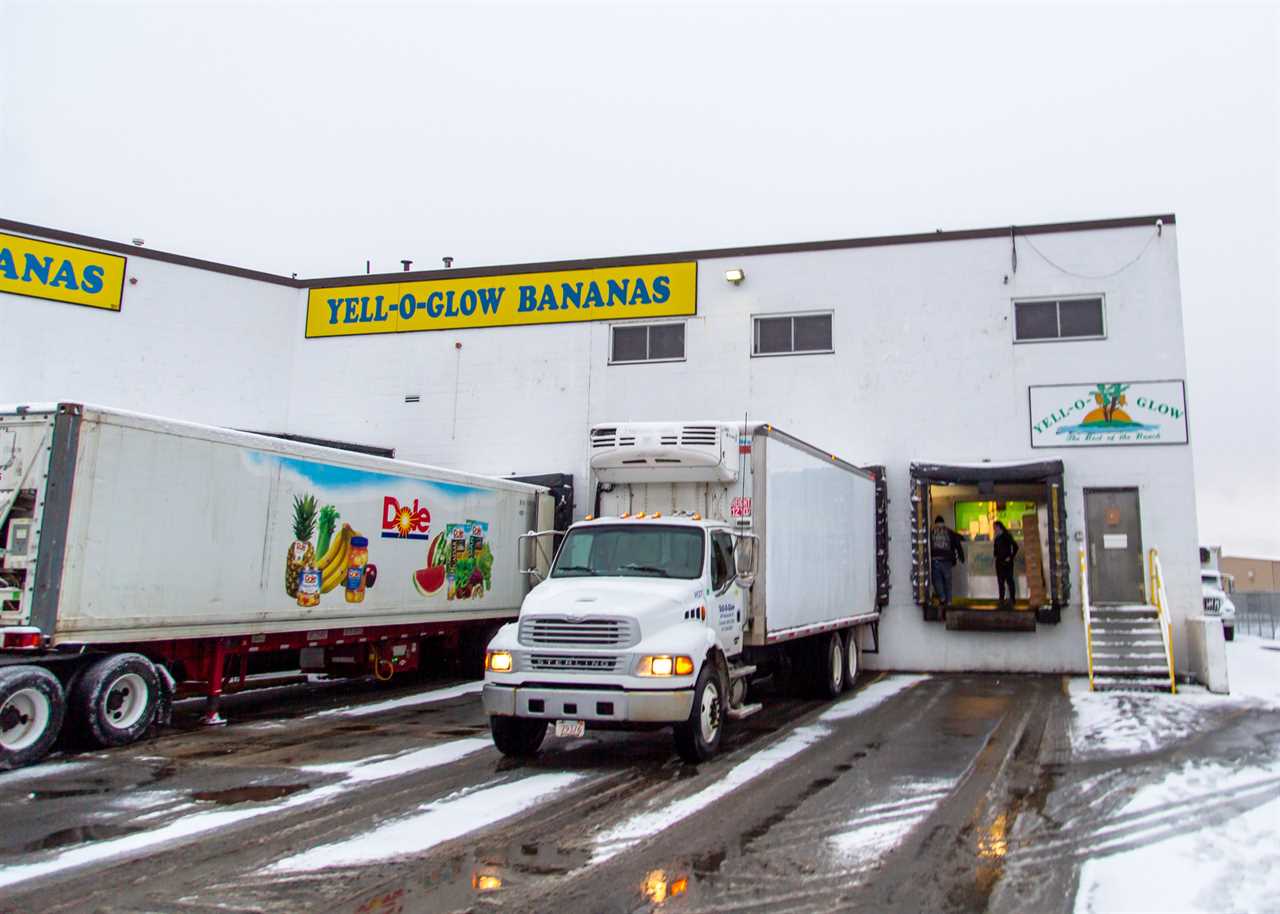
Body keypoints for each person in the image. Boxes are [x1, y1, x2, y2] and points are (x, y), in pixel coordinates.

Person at [929, 515, 965, 609]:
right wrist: (961, 556)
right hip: (947, 560)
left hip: (935, 559)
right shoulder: (948, 531)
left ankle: (942, 597)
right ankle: (949, 601)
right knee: (947, 581)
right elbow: (959, 540)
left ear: (936, 523)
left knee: (937, 580)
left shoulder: (932, 532)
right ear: (943, 522)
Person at [993, 520, 1019, 607]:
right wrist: (996, 555)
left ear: (999, 527)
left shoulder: (1007, 536)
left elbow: (1015, 546)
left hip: (1007, 562)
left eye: (995, 527)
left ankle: (1012, 599)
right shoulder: (996, 538)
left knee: (1009, 581)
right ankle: (1001, 599)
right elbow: (995, 550)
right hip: (999, 562)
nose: (994, 529)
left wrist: (1010, 557)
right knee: (1000, 582)